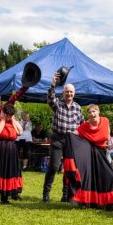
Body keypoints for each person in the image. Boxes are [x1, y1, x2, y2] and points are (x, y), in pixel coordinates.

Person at [63, 104, 113, 210]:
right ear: (88, 115)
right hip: (88, 152)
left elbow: (107, 137)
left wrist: (109, 147)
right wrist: (68, 135)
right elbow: (74, 134)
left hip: (101, 152)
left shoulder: (105, 121)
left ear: (98, 111)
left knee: (110, 176)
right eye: (90, 112)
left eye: (94, 111)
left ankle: (109, 202)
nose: (92, 114)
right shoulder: (84, 126)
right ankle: (86, 201)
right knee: (88, 177)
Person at [43, 74, 84, 203]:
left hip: (71, 141)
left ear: (74, 93)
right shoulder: (57, 103)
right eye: (67, 91)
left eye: (71, 92)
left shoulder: (78, 108)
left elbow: (82, 126)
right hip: (57, 139)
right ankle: (46, 194)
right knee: (54, 166)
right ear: (63, 92)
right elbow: (50, 99)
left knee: (69, 168)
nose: (69, 94)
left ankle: (66, 195)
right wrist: (53, 85)